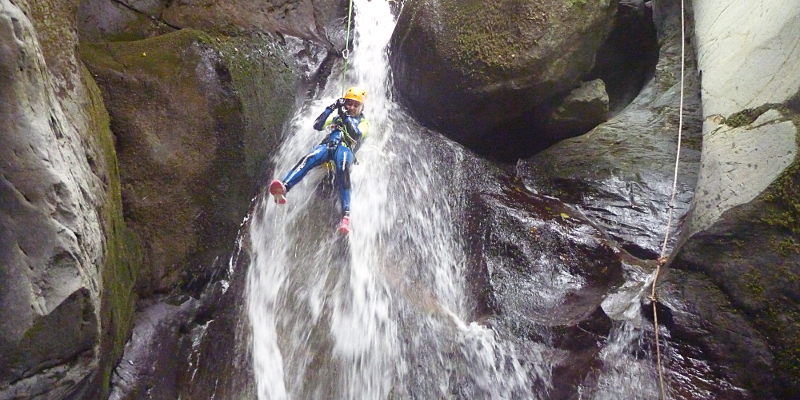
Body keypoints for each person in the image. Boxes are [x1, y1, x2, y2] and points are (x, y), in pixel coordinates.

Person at [269, 86, 369, 235]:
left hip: (345, 149)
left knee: (342, 166)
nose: (351, 107)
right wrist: (331, 107)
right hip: (328, 146)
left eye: (356, 104)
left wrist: (346, 117)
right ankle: (284, 187)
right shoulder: (337, 117)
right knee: (309, 158)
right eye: (349, 103)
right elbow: (318, 125)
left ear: (362, 107)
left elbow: (357, 134)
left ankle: (346, 216)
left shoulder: (363, 122)